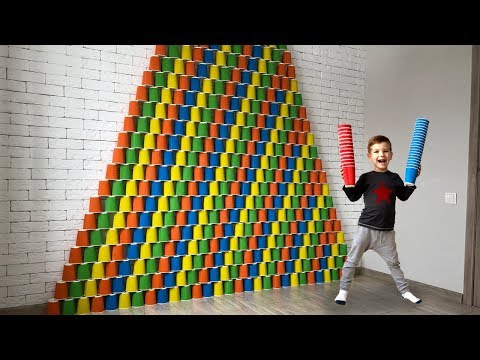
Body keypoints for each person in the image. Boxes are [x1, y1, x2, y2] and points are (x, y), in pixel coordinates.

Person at [334, 135, 422, 305]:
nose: (381, 154)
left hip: (386, 233)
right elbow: (353, 196)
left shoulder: (395, 178)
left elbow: (403, 196)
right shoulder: (366, 177)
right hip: (365, 229)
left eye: (385, 151)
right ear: (370, 156)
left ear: (391, 154)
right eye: (376, 151)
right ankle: (343, 291)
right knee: (351, 262)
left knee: (394, 264)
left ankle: (405, 292)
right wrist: (346, 182)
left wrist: (413, 180)